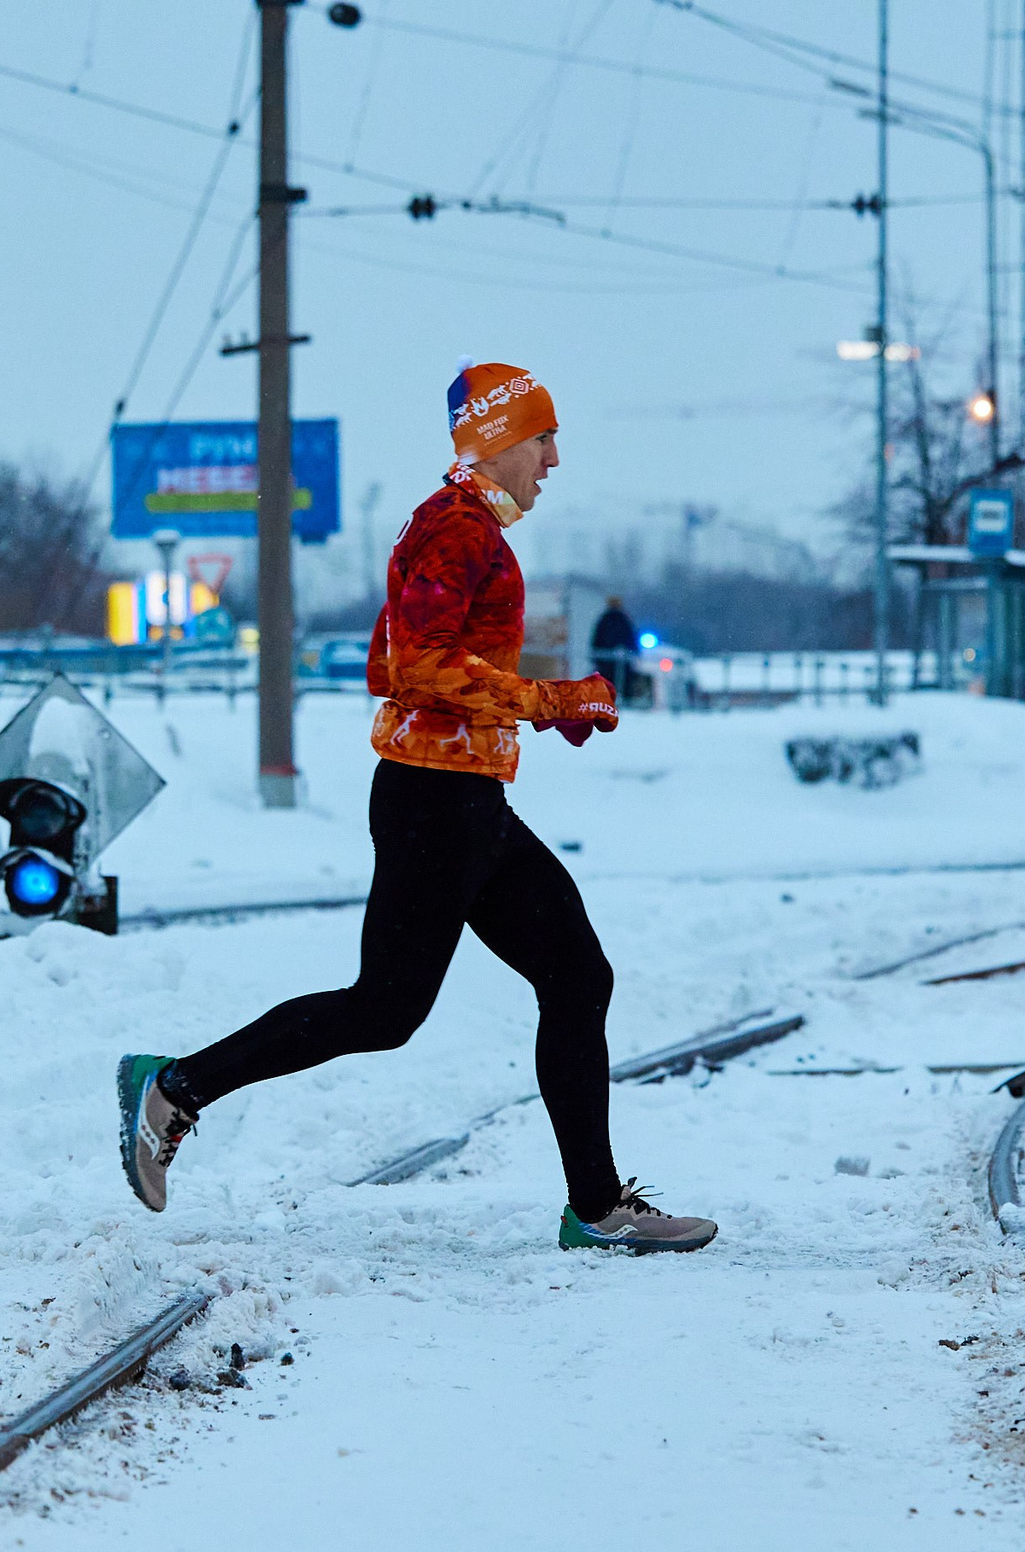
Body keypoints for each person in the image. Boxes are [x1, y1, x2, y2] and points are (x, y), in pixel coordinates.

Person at [115, 362, 718, 1255]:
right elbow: (416, 666)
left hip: (466, 797)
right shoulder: (455, 529)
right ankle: (175, 1086)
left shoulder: (463, 529)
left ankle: (596, 1205)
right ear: (500, 439)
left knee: (577, 975)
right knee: (384, 1010)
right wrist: (549, 701)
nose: (553, 459)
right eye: (543, 439)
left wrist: (525, 712)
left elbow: (393, 661)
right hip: (434, 803)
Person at [591, 595, 637, 701]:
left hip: (607, 664)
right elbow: (631, 640)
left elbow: (597, 640)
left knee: (608, 687)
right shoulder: (623, 620)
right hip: (616, 664)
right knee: (621, 688)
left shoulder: (605, 620)